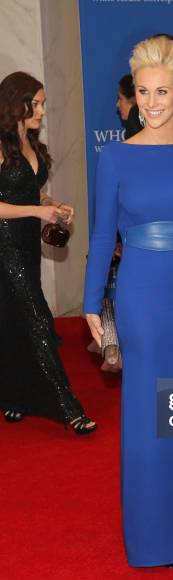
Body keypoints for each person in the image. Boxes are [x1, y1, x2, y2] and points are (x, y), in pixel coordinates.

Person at [84, 35, 173, 567]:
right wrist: (92, 301)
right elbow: (102, 236)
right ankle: (154, 535)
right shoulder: (114, 155)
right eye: (142, 91)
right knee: (148, 408)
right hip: (141, 291)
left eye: (161, 90)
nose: (151, 102)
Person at [0, 71, 96, 434]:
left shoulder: (32, 145)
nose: (41, 110)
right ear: (16, 103)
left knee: (12, 322)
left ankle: (12, 396)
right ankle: (68, 406)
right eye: (35, 103)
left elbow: (28, 192)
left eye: (42, 104)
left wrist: (52, 204)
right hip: (4, 246)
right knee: (39, 320)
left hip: (27, 246)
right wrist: (37, 212)